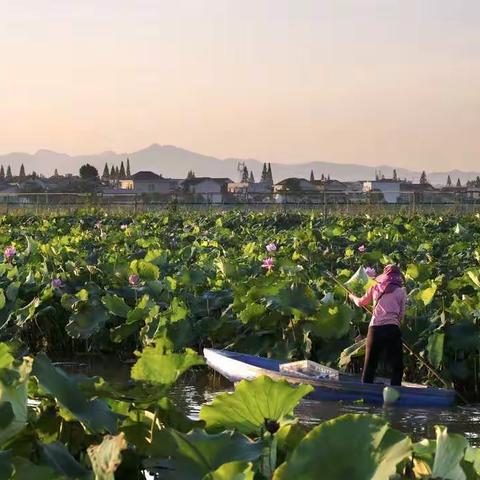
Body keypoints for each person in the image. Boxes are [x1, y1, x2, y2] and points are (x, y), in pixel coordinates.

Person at [349, 264, 406, 386]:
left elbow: (360, 302)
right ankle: (395, 391)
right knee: (397, 365)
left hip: (375, 329)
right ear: (398, 277)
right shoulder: (401, 291)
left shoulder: (375, 288)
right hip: (392, 329)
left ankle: (366, 391)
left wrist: (352, 296)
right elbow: (401, 316)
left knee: (370, 363)